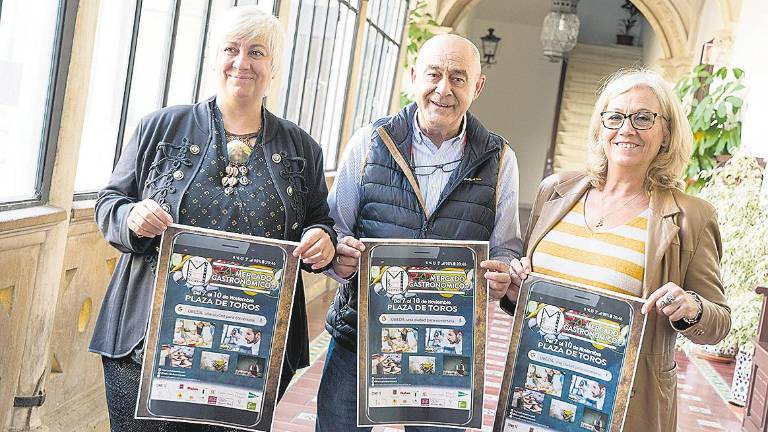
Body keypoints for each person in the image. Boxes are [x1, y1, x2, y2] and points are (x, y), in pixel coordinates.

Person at [88, 6, 337, 431]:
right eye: (231, 49)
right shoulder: (161, 127)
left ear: (273, 67)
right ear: (214, 57)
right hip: (146, 342)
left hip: (252, 351)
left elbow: (320, 222)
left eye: (257, 52)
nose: (242, 63)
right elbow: (109, 202)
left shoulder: (302, 149)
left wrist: (321, 238)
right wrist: (132, 215)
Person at [317, 33, 523, 431]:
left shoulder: (501, 160)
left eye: (459, 78)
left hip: (446, 350)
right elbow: (333, 230)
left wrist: (502, 274)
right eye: (434, 74)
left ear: (477, 87)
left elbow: (507, 248)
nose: (443, 89)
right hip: (359, 338)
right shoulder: (369, 143)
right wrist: (337, 258)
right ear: (414, 76)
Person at [506, 69, 731, 432]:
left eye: (644, 118)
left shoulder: (692, 216)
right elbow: (531, 296)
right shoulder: (556, 191)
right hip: (537, 392)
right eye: (615, 116)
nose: (627, 128)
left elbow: (718, 322)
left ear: (666, 133)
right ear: (600, 127)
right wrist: (516, 289)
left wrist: (692, 307)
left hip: (619, 407)